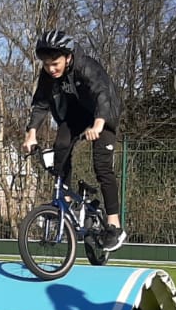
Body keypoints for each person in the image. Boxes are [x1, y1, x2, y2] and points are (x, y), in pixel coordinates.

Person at [21, 29, 127, 252]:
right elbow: (41, 103)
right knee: (61, 147)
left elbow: (102, 94)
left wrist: (98, 124)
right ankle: (65, 201)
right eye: (47, 64)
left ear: (68, 56)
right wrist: (31, 132)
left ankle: (114, 224)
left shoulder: (86, 66)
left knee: (102, 166)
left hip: (103, 114)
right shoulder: (47, 76)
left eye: (55, 63)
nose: (51, 69)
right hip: (75, 115)